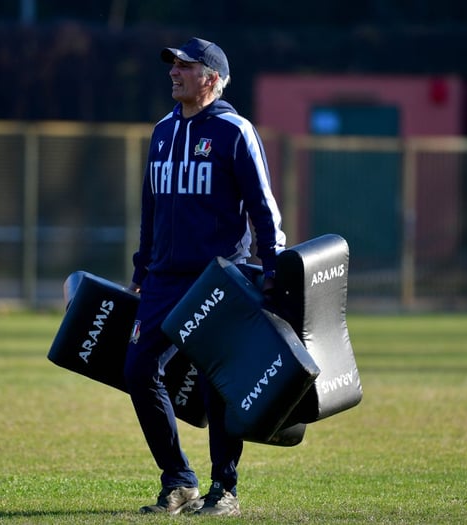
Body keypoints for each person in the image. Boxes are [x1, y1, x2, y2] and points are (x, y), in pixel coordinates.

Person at [123, 37, 286, 517]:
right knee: (136, 369)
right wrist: (140, 268)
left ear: (211, 78)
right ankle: (179, 480)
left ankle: (225, 490)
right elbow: (150, 209)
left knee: (218, 384)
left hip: (218, 279)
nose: (173, 72)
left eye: (185, 66)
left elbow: (263, 206)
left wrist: (273, 269)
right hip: (163, 279)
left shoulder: (236, 131)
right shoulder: (161, 131)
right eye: (172, 65)